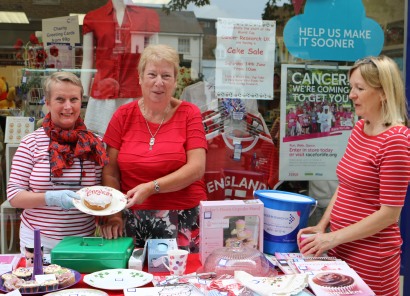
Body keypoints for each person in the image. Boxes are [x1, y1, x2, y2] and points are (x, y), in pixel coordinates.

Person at [298, 55, 410, 295]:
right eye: (351, 87)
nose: (351, 95)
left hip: (371, 260)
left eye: (360, 88)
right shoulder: (360, 127)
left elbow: (389, 214)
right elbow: (345, 185)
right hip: (341, 251)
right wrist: (322, 226)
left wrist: (332, 238)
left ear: (383, 93)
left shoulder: (396, 140)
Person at [100, 44, 207, 252]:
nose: (159, 82)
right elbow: (110, 172)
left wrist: (152, 187)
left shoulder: (189, 113)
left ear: (175, 81)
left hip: (185, 217)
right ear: (140, 78)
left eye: (166, 76)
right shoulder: (123, 115)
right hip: (132, 219)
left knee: (181, 281)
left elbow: (197, 168)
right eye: (152, 74)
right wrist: (114, 215)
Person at [6, 72, 109, 254]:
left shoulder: (95, 145)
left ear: (81, 102)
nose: (68, 107)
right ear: (47, 103)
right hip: (38, 240)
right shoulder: (31, 143)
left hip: (83, 241)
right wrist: (50, 198)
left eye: (74, 99)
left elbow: (105, 190)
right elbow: (14, 196)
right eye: (60, 99)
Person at [81, 0, 159, 135]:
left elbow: (154, 59)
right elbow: (87, 60)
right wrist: (82, 93)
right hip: (103, 97)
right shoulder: (94, 17)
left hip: (135, 95)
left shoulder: (147, 17)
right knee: (101, 146)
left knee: (135, 144)